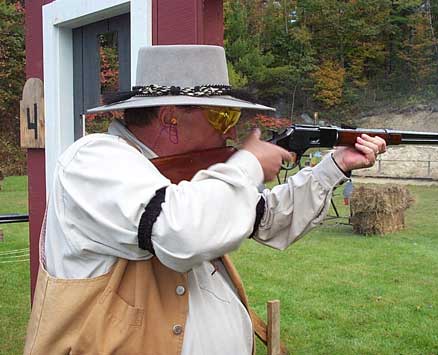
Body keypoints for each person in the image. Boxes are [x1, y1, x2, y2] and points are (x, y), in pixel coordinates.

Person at [24, 45, 386, 355]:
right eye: (223, 115)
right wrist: (247, 167)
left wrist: (335, 165)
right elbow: (180, 233)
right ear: (170, 120)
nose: (231, 129)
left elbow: (268, 218)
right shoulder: (93, 159)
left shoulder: (182, 180)